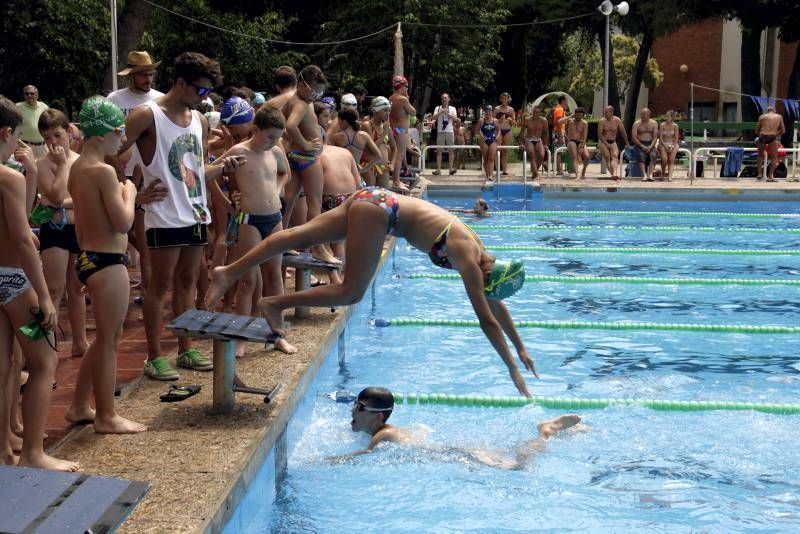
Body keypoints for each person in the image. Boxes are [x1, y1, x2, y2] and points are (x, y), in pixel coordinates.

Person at [205, 186, 537, 397]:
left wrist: (521, 349)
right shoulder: (467, 255)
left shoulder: (480, 254)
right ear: (489, 274)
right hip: (381, 213)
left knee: (299, 237)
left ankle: (228, 272)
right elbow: (487, 320)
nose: (482, 289)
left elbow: (495, 306)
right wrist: (510, 368)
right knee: (351, 293)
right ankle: (275, 303)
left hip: (375, 198)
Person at [116, 51, 243, 380]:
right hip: (163, 215)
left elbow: (194, 172)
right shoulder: (147, 115)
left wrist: (222, 166)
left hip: (194, 212)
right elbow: (104, 151)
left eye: (207, 93)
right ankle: (154, 355)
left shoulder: (198, 120)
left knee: (188, 282)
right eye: (199, 91)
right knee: (159, 286)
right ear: (181, 83)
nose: (204, 98)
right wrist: (132, 191)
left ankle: (185, 347)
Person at [0, 97, 79, 471]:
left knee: (5, 365)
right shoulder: (7, 176)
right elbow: (20, 238)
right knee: (45, 360)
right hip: (12, 280)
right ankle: (33, 453)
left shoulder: (16, 176)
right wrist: (45, 297)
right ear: (5, 134)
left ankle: (4, 449)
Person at [64, 96, 146, 434]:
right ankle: (107, 416)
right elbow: (123, 223)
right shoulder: (103, 172)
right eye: (118, 132)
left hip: (88, 259)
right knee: (111, 339)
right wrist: (130, 192)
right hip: (109, 262)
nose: (122, 139)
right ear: (100, 135)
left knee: (103, 340)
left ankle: (80, 405)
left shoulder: (77, 169)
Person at [340, 387, 582, 470]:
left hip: (459, 455)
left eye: (359, 408)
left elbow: (365, 457)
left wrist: (328, 460)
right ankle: (547, 434)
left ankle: (546, 431)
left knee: (518, 467)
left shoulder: (384, 436)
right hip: (455, 453)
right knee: (513, 455)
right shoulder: (387, 431)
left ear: (378, 417)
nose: (352, 411)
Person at [216, 106, 296, 356]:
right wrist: (229, 201)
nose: (273, 142)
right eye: (269, 136)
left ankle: (277, 334)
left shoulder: (275, 150)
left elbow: (286, 174)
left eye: (278, 138)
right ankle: (242, 336)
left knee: (274, 277)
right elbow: (210, 176)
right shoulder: (238, 152)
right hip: (248, 220)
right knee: (248, 280)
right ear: (255, 129)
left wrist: (277, 187)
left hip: (274, 219)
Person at [107, 50, 166, 300]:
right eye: (142, 74)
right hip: (120, 174)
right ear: (131, 75)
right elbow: (107, 139)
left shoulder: (162, 99)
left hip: (151, 174)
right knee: (118, 232)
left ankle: (148, 292)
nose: (148, 79)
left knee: (147, 240)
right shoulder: (115, 99)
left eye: (150, 73)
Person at [36, 108, 89, 357]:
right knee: (53, 290)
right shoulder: (43, 164)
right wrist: (61, 167)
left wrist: (59, 202)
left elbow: (80, 199)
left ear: (69, 131)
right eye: (47, 139)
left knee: (77, 288)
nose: (53, 143)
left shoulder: (82, 161)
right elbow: (57, 194)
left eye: (57, 135)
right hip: (55, 230)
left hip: (77, 228)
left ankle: (80, 342)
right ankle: (46, 350)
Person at [277, 65, 335, 264]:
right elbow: (290, 125)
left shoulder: (295, 100)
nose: (316, 95)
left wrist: (294, 143)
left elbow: (282, 125)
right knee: (315, 203)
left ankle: (281, 243)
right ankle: (318, 247)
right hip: (308, 158)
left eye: (320, 92)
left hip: (294, 155)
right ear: (302, 84)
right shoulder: (301, 103)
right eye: (314, 90)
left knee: (290, 199)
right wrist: (306, 144)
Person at [320, 144, 362, 284]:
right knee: (339, 241)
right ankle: (343, 278)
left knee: (324, 241)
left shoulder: (317, 154)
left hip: (329, 197)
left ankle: (335, 278)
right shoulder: (345, 152)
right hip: (349, 196)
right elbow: (358, 183)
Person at [328, 109, 384, 174]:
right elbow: (378, 156)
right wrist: (364, 169)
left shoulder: (336, 137)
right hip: (356, 173)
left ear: (344, 121)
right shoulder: (364, 136)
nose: (339, 124)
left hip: (340, 172)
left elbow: (329, 157)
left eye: (339, 121)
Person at [360, 96, 395, 188]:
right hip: (369, 166)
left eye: (389, 110)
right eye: (385, 110)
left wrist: (392, 164)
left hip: (383, 168)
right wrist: (384, 133)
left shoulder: (387, 128)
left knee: (382, 197)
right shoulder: (367, 125)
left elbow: (394, 148)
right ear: (375, 110)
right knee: (369, 196)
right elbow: (373, 148)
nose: (388, 114)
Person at [389, 75, 415, 191]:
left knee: (399, 154)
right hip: (401, 130)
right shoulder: (403, 99)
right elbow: (413, 112)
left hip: (393, 129)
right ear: (402, 86)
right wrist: (407, 99)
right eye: (406, 87)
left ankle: (397, 180)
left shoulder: (390, 98)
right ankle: (396, 181)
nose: (407, 89)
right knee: (399, 155)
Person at [16, 85, 48, 160]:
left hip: (42, 147)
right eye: (26, 94)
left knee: (43, 170)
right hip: (24, 146)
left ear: (37, 95)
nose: (29, 95)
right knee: (25, 171)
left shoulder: (44, 107)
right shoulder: (17, 107)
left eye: (32, 93)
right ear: (24, 95)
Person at [597, 105, 628, 180]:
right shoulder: (602, 121)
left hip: (613, 141)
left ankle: (614, 174)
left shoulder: (617, 120)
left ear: (611, 112)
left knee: (615, 156)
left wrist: (627, 142)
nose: (604, 114)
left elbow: (623, 132)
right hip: (603, 141)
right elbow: (599, 134)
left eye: (606, 112)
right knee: (607, 157)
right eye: (604, 112)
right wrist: (606, 144)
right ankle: (613, 174)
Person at [756, 105, 786, 182]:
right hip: (772, 136)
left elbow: (756, 131)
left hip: (762, 136)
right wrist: (776, 134)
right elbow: (783, 131)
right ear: (774, 111)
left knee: (760, 155)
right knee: (774, 157)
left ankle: (759, 174)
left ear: (767, 111)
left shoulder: (762, 117)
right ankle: (770, 177)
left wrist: (761, 135)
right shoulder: (779, 117)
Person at [519, 106, 549, 179]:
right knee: (532, 154)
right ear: (532, 112)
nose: (535, 114)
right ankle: (535, 173)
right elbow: (522, 133)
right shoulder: (527, 120)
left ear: (540, 113)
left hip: (538, 139)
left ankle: (535, 172)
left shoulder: (544, 120)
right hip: (529, 139)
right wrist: (521, 143)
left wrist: (545, 144)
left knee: (542, 155)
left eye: (537, 112)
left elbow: (546, 133)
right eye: (534, 112)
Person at [432, 93, 457, 176]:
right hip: (440, 132)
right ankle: (438, 169)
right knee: (439, 151)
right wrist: (441, 112)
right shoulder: (437, 108)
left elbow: (456, 118)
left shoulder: (452, 108)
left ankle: (450, 169)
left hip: (450, 131)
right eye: (442, 98)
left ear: (449, 99)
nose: (444, 99)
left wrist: (448, 113)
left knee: (451, 151)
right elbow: (433, 118)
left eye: (445, 98)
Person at [631, 107, 659, 181]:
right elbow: (634, 137)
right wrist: (642, 146)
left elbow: (655, 137)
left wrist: (651, 146)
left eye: (644, 114)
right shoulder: (637, 124)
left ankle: (650, 175)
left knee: (653, 154)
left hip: (651, 143)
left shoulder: (654, 123)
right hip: (640, 143)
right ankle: (644, 175)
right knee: (641, 155)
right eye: (641, 114)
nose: (642, 116)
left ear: (649, 115)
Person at [564, 107, 590, 180]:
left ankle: (583, 170)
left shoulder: (584, 123)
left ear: (583, 115)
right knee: (574, 156)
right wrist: (569, 116)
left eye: (580, 115)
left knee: (587, 157)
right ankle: (577, 175)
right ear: (575, 114)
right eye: (577, 115)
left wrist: (582, 146)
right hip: (571, 141)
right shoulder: (570, 121)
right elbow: (560, 122)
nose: (578, 117)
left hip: (580, 141)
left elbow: (585, 136)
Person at [494, 93, 516, 175]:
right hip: (499, 130)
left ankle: (504, 170)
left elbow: (514, 122)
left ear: (508, 100)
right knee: (497, 150)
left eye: (506, 98)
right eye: (503, 98)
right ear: (500, 99)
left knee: (505, 150)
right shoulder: (497, 109)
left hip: (507, 130)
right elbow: (492, 121)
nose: (504, 100)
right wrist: (499, 120)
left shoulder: (511, 110)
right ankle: (497, 169)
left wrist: (511, 120)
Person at [476, 106, 499, 181]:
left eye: (489, 111)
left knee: (492, 158)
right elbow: (477, 129)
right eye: (487, 111)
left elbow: (499, 130)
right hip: (484, 141)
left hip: (492, 140)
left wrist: (497, 137)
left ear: (491, 112)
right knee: (486, 159)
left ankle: (491, 175)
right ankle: (487, 174)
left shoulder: (495, 120)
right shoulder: (481, 120)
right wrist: (482, 136)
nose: (488, 113)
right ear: (485, 112)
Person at [657, 110, 680, 181]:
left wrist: (673, 146)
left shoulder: (675, 126)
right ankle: (663, 173)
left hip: (673, 143)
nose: (666, 117)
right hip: (663, 143)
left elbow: (676, 138)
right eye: (666, 116)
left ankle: (670, 176)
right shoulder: (662, 125)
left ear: (672, 117)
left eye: (668, 116)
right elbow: (660, 137)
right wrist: (664, 145)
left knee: (671, 160)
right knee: (664, 159)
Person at [551, 95, 568, 176]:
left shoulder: (559, 109)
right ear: (563, 100)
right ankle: (558, 169)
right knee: (559, 151)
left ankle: (556, 167)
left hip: (559, 132)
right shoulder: (559, 109)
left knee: (558, 151)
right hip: (558, 132)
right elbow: (558, 123)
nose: (567, 102)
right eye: (566, 100)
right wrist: (561, 136)